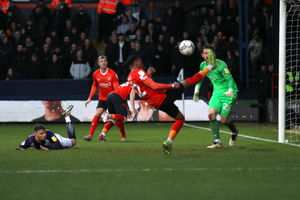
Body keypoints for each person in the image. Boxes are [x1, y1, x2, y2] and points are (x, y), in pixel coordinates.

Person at [122, 54, 215, 154]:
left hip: (157, 103)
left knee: (180, 118)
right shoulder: (138, 71)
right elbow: (154, 86)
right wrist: (172, 85)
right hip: (163, 97)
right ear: (135, 63)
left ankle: (168, 142)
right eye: (140, 61)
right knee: (189, 81)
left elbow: (143, 86)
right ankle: (210, 66)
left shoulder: (130, 77)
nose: (142, 63)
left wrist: (148, 75)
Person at [193, 44, 239, 149]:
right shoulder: (203, 65)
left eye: (209, 53)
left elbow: (230, 79)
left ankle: (234, 132)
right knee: (211, 115)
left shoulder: (221, 64)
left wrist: (231, 90)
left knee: (223, 120)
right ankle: (217, 141)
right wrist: (197, 90)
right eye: (205, 53)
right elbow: (200, 77)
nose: (207, 55)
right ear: (202, 55)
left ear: (213, 54)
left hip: (228, 93)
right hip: (216, 94)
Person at [83, 55, 119, 141]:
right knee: (98, 113)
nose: (103, 63)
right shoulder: (95, 74)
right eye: (101, 61)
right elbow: (94, 85)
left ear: (107, 62)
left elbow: (117, 89)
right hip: (102, 98)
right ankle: (90, 135)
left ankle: (102, 134)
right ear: (98, 63)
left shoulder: (112, 74)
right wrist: (90, 97)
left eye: (105, 61)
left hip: (112, 99)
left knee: (114, 120)